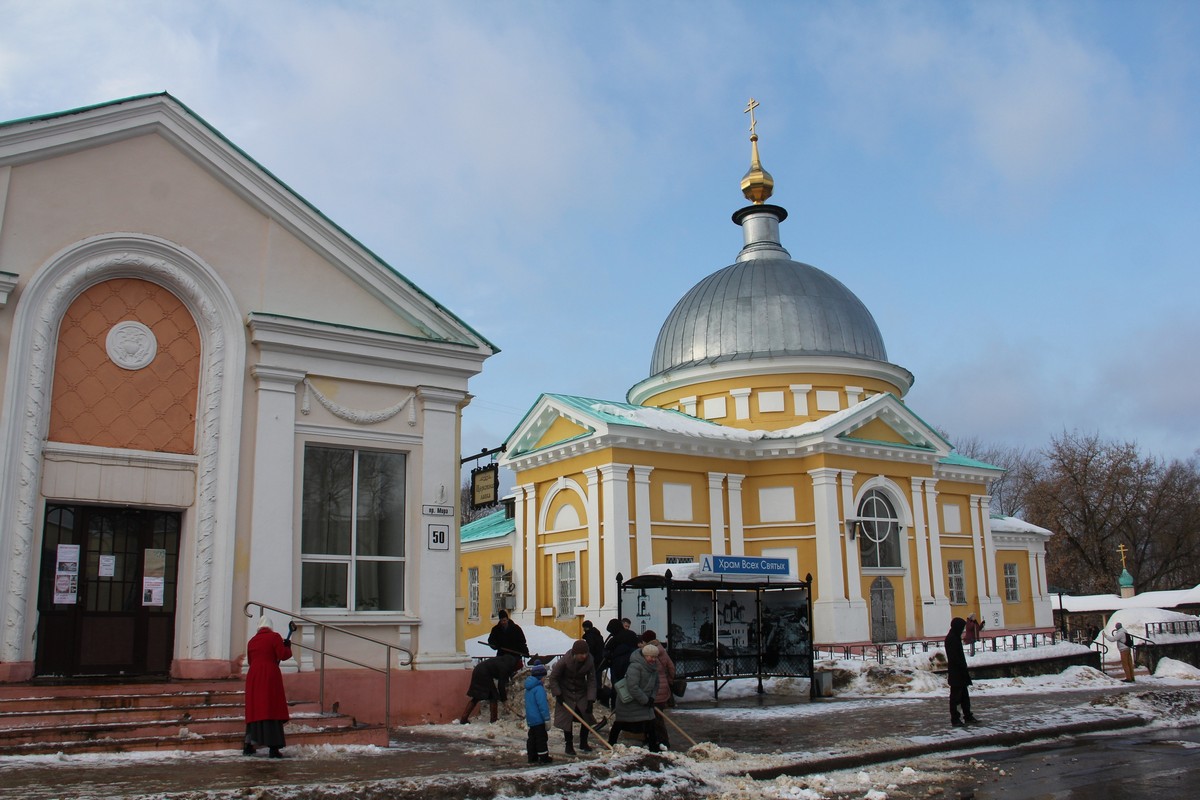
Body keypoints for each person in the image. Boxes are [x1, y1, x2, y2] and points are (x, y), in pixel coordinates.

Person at [244, 615, 293, 758]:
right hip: (269, 675)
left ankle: (249, 744)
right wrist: (287, 647)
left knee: (256, 708)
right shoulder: (274, 637)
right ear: (270, 626)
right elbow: (282, 655)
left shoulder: (251, 641)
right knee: (271, 707)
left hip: (253, 675)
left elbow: (250, 660)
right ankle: (273, 748)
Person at [548, 639, 603, 755]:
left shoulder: (589, 661)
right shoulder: (564, 662)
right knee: (567, 718)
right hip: (565, 692)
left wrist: (590, 699)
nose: (584, 656)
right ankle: (569, 745)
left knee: (586, 715)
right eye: (581, 654)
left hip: (580, 692)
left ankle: (584, 742)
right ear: (575, 653)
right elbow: (553, 678)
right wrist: (558, 694)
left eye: (585, 653)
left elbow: (592, 680)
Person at [607, 643, 660, 751]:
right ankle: (610, 744)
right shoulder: (635, 666)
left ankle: (653, 747)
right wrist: (645, 700)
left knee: (651, 723)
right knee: (621, 722)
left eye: (655, 657)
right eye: (651, 656)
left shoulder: (653, 668)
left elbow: (656, 684)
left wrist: (652, 698)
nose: (653, 659)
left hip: (644, 701)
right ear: (645, 656)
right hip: (630, 702)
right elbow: (633, 687)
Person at [459, 651, 520, 724]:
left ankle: (464, 718)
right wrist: (504, 700)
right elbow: (501, 685)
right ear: (515, 666)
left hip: (479, 670)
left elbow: (503, 679)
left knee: (477, 697)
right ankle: (494, 720)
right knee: (493, 696)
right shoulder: (506, 667)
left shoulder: (506, 661)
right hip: (484, 673)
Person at [640, 630, 676, 751]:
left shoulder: (648, 654)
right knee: (658, 716)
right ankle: (659, 741)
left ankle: (660, 741)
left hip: (653, 690)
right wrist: (668, 681)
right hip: (663, 688)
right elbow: (671, 668)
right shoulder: (663, 650)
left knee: (652, 717)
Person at [600, 618, 641, 709]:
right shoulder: (632, 635)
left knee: (617, 687)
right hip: (632, 665)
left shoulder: (615, 638)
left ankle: (616, 707)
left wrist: (609, 657)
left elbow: (606, 651)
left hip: (617, 666)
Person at [945, 617, 977, 728]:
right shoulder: (952, 639)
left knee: (964, 696)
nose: (963, 630)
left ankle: (967, 715)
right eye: (962, 627)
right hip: (956, 672)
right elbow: (954, 657)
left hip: (959, 671)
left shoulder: (954, 637)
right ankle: (955, 718)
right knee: (955, 697)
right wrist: (961, 667)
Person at [524, 659, 552, 764]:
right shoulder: (539, 689)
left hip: (531, 718)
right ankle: (544, 757)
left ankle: (532, 756)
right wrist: (547, 719)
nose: (545, 679)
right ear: (540, 677)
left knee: (532, 738)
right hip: (539, 719)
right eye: (544, 677)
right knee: (541, 738)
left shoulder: (528, 688)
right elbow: (542, 705)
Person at [581, 620, 605, 686]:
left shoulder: (590, 636)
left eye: (584, 628)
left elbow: (590, 648)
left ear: (586, 628)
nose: (583, 629)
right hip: (600, 659)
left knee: (592, 678)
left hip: (593, 660)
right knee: (598, 677)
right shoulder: (598, 635)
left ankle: (594, 693)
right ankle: (598, 692)